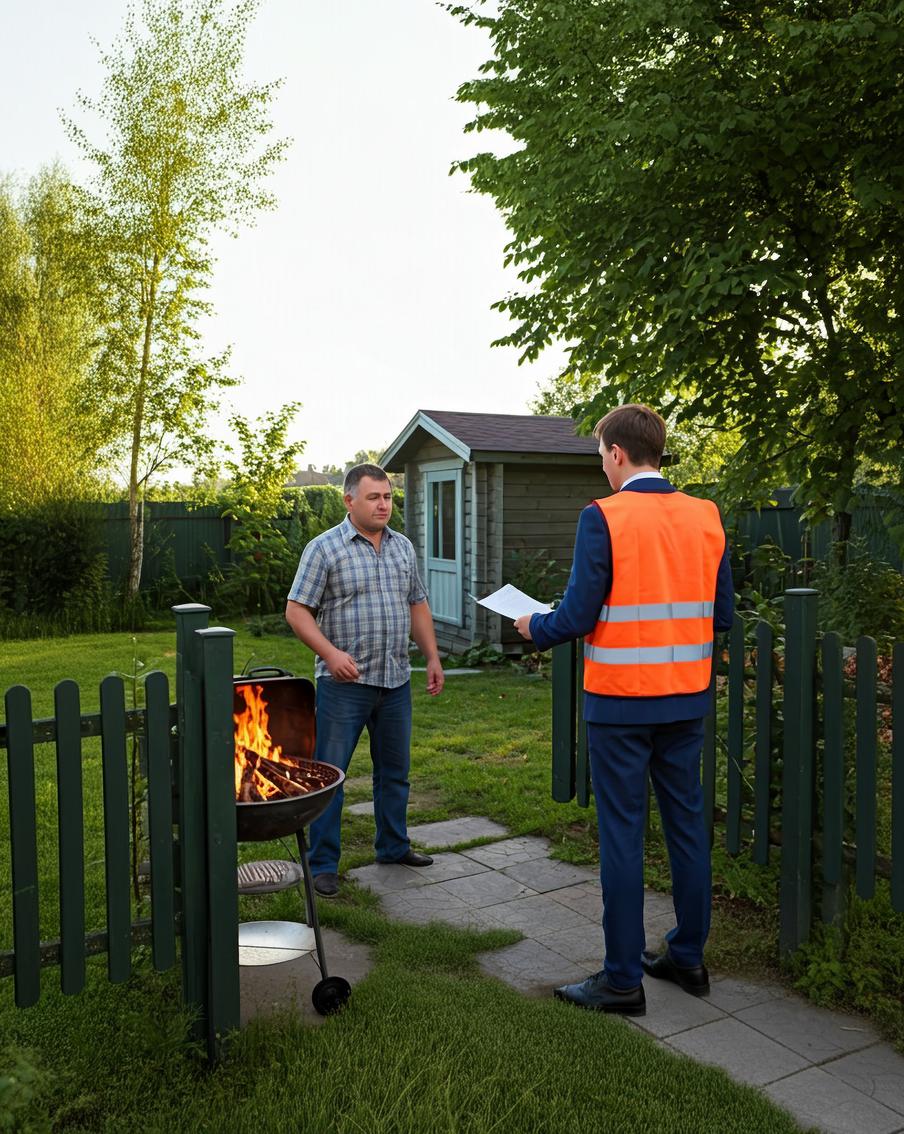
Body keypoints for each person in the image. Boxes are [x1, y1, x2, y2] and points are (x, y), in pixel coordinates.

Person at [514, 404, 733, 1016]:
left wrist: (535, 625)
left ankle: (620, 979)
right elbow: (721, 617)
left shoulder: (602, 517)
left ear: (615, 453)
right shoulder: (706, 516)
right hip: (686, 701)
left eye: (600, 456)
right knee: (688, 827)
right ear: (657, 451)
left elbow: (579, 616)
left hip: (619, 705)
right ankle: (687, 957)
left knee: (622, 835)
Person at [286, 463, 445, 897]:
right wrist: (331, 654)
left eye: (388, 497)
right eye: (374, 497)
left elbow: (417, 604)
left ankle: (393, 846)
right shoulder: (324, 549)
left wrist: (431, 656)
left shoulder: (403, 548)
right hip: (344, 687)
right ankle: (322, 865)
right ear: (349, 500)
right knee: (331, 776)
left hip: (395, 681)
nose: (383, 505)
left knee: (395, 773)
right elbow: (297, 610)